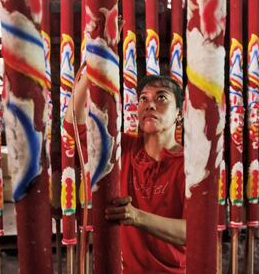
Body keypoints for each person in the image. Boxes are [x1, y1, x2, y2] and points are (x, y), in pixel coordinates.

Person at [64, 72, 186, 273]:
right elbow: (74, 126)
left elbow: (193, 231)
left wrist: (135, 216)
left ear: (179, 113)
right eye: (143, 99)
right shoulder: (123, 148)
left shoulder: (189, 164)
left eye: (161, 97)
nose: (150, 105)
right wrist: (91, 72)